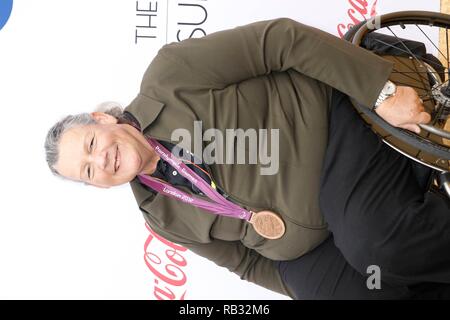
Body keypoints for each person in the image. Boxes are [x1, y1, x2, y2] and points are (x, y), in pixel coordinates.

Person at [44, 17, 450, 299]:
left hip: (330, 125)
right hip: (307, 248)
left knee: (375, 246)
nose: (100, 163)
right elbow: (245, 264)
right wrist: (310, 287)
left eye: (92, 146)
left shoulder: (170, 76)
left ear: (102, 119)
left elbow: (281, 40)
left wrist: (382, 91)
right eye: (88, 172)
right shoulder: (158, 215)